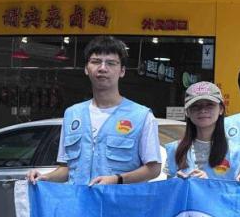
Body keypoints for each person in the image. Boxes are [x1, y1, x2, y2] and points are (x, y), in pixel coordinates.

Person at [27, 36, 160, 186]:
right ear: (86, 68)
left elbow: (153, 169)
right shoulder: (72, 114)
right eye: (96, 62)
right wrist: (46, 177)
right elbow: (67, 168)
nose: (102, 68)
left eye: (111, 63)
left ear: (122, 71)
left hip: (119, 200)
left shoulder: (141, 116)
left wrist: (118, 179)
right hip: (79, 199)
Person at [164, 82, 240, 180]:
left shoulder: (236, 153)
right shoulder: (175, 149)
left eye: (210, 105)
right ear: (187, 112)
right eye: (195, 106)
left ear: (221, 109)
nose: (203, 110)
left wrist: (207, 183)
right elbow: (168, 187)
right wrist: (178, 182)